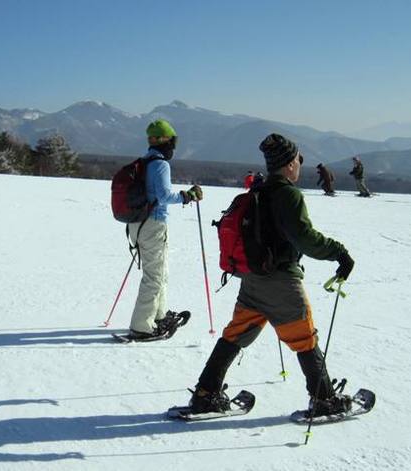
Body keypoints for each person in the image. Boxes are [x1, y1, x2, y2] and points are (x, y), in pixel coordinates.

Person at [187, 133, 355, 418]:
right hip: (281, 281)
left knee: (235, 334)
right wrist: (340, 253)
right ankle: (324, 398)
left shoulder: (259, 191)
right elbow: (305, 239)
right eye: (298, 160)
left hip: (252, 278)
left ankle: (206, 394)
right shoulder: (288, 194)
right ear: (290, 164)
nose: (299, 165)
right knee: (305, 339)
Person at [127, 119, 203, 340]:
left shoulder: (144, 162)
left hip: (138, 223)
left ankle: (158, 315)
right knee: (154, 277)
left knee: (160, 273)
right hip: (153, 224)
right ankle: (142, 326)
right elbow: (163, 196)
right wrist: (186, 196)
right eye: (172, 141)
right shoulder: (160, 164)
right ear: (165, 140)